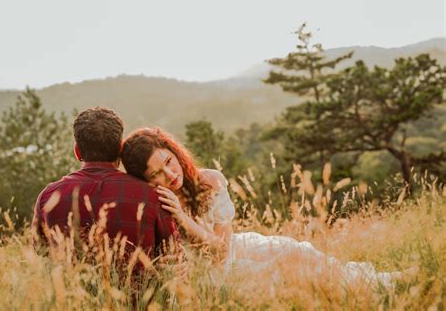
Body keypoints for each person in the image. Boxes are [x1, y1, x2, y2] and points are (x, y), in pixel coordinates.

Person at [120, 127, 409, 289]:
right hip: (208, 277)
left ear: (175, 152)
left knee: (300, 251)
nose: (169, 175)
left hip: (233, 251)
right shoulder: (156, 204)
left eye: (168, 162)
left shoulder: (209, 181)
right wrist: (179, 218)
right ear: (146, 180)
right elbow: (211, 262)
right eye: (156, 174)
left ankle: (379, 282)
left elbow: (222, 248)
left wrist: (185, 218)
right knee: (287, 270)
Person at [32, 108, 179, 268]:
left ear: (77, 151)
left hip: (67, 292)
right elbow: (175, 257)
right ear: (120, 149)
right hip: (140, 293)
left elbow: (40, 255)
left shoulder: (49, 197)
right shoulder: (152, 196)